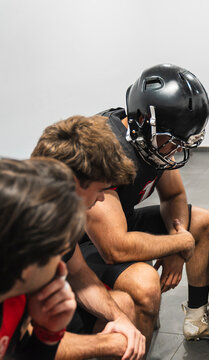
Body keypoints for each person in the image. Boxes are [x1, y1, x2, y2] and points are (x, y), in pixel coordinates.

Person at [80, 63, 209, 342]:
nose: (177, 151)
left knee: (202, 222)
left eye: (185, 143)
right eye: (172, 141)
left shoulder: (151, 140)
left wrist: (174, 245)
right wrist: (178, 244)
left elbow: (174, 195)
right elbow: (113, 248)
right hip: (84, 242)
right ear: (142, 120)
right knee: (145, 285)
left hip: (121, 221)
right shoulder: (103, 149)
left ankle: (197, 319)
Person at [32, 115, 146, 359]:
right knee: (116, 341)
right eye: (100, 190)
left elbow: (78, 274)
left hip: (41, 313)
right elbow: (24, 340)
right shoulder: (18, 231)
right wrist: (107, 345)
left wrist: (121, 320)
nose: (102, 199)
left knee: (122, 309)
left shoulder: (63, 211)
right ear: (73, 183)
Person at [0, 158, 83, 359]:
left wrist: (47, 335)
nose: (61, 267)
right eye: (58, 254)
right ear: (27, 257)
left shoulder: (15, 296)